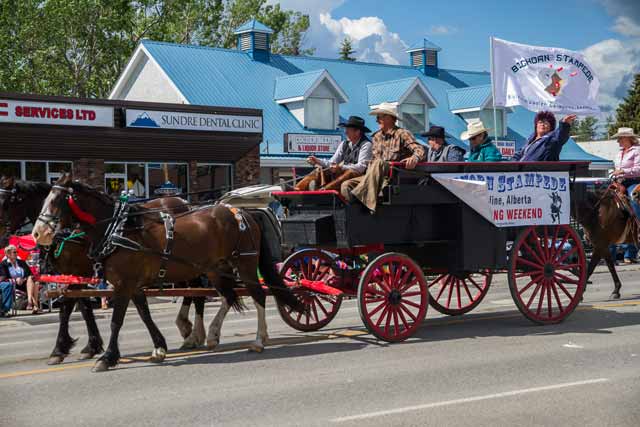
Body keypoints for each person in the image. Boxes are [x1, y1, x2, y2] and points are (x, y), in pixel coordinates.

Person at [341, 102, 426, 213]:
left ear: (390, 118)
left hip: (394, 177)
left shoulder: (402, 134)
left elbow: (420, 150)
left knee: (379, 163)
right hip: (373, 176)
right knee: (346, 185)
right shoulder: (376, 137)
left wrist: (414, 158)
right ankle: (359, 210)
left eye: (379, 117)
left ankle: (367, 202)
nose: (377, 120)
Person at [295, 116, 373, 191]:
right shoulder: (344, 144)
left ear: (357, 132)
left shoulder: (366, 145)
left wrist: (341, 167)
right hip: (342, 173)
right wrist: (317, 161)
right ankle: (296, 189)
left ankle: (323, 190)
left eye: (348, 130)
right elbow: (332, 162)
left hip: (357, 177)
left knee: (350, 172)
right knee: (320, 169)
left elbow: (361, 168)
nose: (345, 132)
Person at [512, 111, 577, 161]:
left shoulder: (552, 139)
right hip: (523, 173)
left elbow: (562, 135)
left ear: (551, 127)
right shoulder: (529, 140)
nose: (542, 124)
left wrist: (564, 124)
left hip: (542, 174)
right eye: (540, 122)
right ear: (536, 125)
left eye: (546, 123)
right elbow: (518, 155)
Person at [0, 244, 40, 315]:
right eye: (14, 252)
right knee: (35, 284)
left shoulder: (21, 262)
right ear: (8, 254)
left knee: (34, 282)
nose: (16, 254)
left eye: (16, 252)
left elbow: (29, 273)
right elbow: (4, 277)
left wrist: (23, 279)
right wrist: (16, 280)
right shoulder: (4, 264)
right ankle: (35, 305)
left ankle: (30, 303)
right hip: (13, 284)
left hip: (24, 283)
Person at [610, 127, 640, 219]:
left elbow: (638, 169)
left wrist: (623, 171)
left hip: (634, 182)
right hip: (619, 182)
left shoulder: (637, 150)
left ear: (627, 138)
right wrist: (612, 172)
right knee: (606, 197)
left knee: (634, 199)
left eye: (620, 138)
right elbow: (615, 168)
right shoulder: (619, 153)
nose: (618, 141)